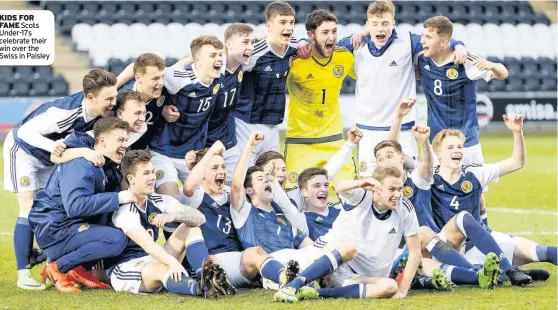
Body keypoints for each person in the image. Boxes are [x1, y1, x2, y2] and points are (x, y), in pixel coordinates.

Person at [3, 69, 118, 290]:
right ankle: (23, 273)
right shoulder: (64, 112)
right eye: (109, 98)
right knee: (28, 208)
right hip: (22, 151)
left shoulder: (96, 113)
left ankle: (53, 261)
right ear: (90, 97)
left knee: (55, 208)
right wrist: (53, 147)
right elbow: (24, 132)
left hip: (50, 158)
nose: (113, 103)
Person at [336, 1, 466, 176]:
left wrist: (459, 46)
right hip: (367, 130)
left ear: (393, 23)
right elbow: (327, 49)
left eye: (385, 23)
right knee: (371, 185)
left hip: (404, 129)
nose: (380, 29)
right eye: (375, 24)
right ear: (367, 25)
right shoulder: (354, 44)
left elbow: (437, 40)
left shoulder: (408, 41)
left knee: (408, 183)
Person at [231, 133, 357, 303]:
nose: (275, 176)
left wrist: (322, 251)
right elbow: (236, 185)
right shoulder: (245, 212)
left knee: (339, 240)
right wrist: (250, 146)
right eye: (262, 178)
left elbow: (304, 236)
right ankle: (300, 282)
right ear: (249, 190)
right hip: (272, 261)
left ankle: (350, 277)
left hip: (298, 256)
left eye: (283, 169)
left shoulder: (283, 210)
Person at [417, 16, 509, 226]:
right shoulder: (422, 58)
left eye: (428, 36)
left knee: (476, 192)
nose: (422, 40)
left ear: (443, 41)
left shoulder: (465, 60)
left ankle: (484, 234)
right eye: (423, 35)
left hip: (467, 140)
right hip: (436, 143)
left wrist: (492, 64)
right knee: (434, 188)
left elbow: (503, 74)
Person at [106, 149, 235, 298]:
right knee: (162, 268)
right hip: (127, 267)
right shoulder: (124, 210)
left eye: (153, 172)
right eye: (146, 173)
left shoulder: (158, 200)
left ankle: (205, 276)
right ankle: (199, 289)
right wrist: (173, 262)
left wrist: (172, 216)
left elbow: (200, 218)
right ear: (131, 178)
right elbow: (148, 245)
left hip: (153, 258)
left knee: (190, 227)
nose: (153, 178)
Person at [28, 118, 133, 293]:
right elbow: (75, 206)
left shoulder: (103, 164)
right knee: (115, 239)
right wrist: (120, 197)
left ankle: (77, 270)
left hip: (69, 226)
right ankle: (57, 267)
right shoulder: (81, 164)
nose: (125, 145)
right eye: (120, 140)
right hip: (56, 229)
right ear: (102, 141)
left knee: (120, 226)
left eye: (126, 140)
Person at [429, 115, 535, 286]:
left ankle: (509, 273)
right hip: (444, 247)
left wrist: (517, 132)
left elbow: (517, 162)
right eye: (450, 147)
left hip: (474, 244)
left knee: (544, 252)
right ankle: (509, 272)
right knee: (463, 218)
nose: (456, 150)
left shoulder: (474, 174)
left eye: (459, 146)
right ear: (437, 153)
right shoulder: (427, 177)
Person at [181, 141, 300, 289]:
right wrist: (210, 153)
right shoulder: (196, 197)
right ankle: (207, 279)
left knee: (256, 253)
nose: (222, 171)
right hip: (211, 259)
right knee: (207, 249)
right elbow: (188, 188)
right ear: (202, 173)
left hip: (237, 259)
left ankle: (285, 278)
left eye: (224, 167)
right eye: (214, 168)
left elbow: (244, 182)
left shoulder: (229, 193)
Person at [298, 167, 421, 300]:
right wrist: (361, 183)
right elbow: (339, 187)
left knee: (391, 286)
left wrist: (402, 290)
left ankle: (318, 293)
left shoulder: (405, 208)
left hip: (365, 279)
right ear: (376, 188)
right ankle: (294, 285)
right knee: (347, 247)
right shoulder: (361, 196)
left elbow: (415, 252)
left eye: (400, 189)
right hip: (339, 266)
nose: (397, 194)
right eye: (392, 189)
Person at [284, 9, 357, 199]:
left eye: (334, 31)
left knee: (347, 198)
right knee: (297, 201)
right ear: (310, 35)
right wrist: (297, 42)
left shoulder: (345, 57)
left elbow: (371, 78)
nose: (331, 37)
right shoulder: (294, 61)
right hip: (300, 143)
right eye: (325, 32)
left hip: (334, 141)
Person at [174, 23, 256, 181]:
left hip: (228, 140)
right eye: (246, 42)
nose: (251, 47)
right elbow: (177, 75)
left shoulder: (240, 64)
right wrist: (167, 108)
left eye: (252, 42)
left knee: (235, 188)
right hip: (204, 144)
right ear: (229, 45)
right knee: (205, 192)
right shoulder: (211, 68)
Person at [234, 1, 309, 164]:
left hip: (273, 126)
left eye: (291, 22)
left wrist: (304, 40)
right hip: (246, 125)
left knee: (274, 177)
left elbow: (311, 41)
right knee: (245, 179)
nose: (288, 27)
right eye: (282, 22)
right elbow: (227, 70)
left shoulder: (294, 46)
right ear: (269, 26)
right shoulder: (254, 52)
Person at [149, 35, 224, 199]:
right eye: (212, 55)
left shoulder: (219, 78)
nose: (219, 59)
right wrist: (161, 109)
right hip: (163, 151)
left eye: (220, 55)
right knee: (171, 200)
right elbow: (144, 87)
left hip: (191, 154)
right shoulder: (178, 79)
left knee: (211, 200)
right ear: (197, 61)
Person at [117, 53, 170, 150]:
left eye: (162, 77)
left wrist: (164, 108)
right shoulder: (120, 98)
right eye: (155, 78)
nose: (161, 82)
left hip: (147, 150)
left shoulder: (165, 91)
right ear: (138, 78)